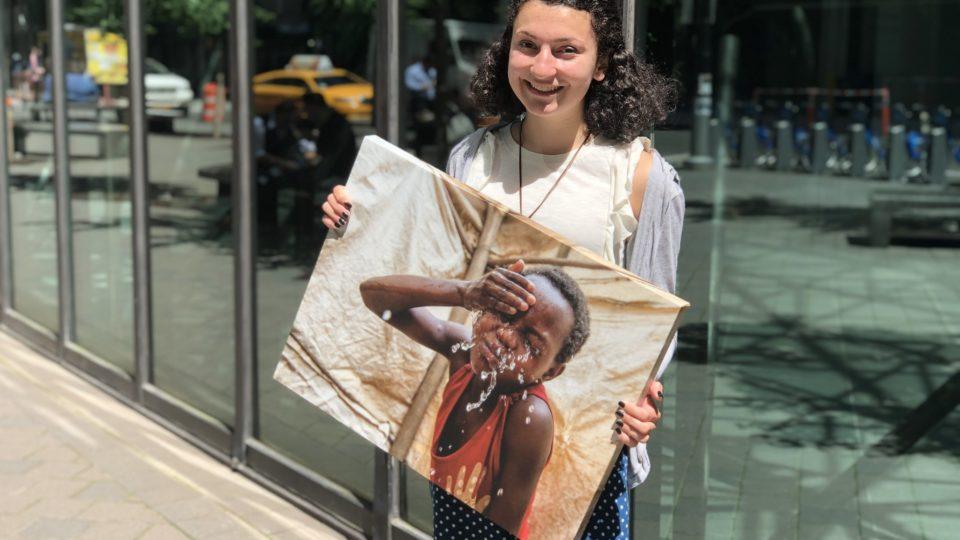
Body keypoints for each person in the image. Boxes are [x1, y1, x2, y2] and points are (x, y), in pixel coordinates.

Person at [323, 0, 681, 537]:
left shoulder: (639, 175)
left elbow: (658, 323)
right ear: (507, 49)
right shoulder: (471, 157)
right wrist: (354, 218)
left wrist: (645, 395)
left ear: (601, 64)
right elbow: (397, 278)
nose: (542, 69)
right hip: (456, 487)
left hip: (586, 476)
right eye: (528, 45)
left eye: (567, 51)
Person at [360, 260, 590, 537]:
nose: (505, 335)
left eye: (530, 343)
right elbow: (372, 295)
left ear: (550, 373)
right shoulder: (462, 353)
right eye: (505, 314)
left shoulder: (529, 417)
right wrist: (463, 292)